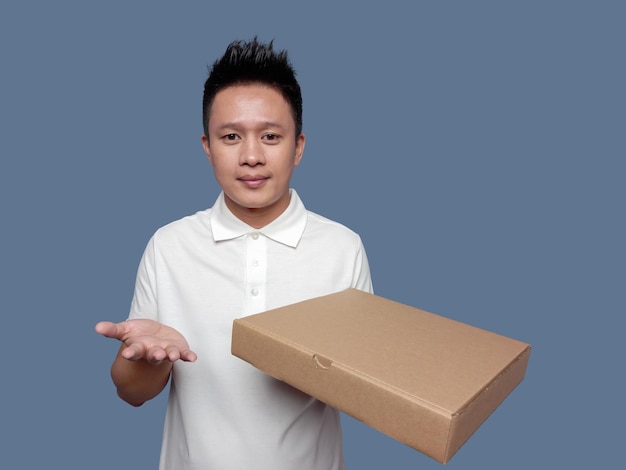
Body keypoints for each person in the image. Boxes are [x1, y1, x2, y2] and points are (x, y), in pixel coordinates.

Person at [95, 37, 373, 470]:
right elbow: (132, 393)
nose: (251, 156)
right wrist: (150, 362)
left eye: (270, 136)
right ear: (207, 146)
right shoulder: (169, 246)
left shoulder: (342, 248)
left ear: (298, 146)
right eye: (230, 136)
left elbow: (363, 391)